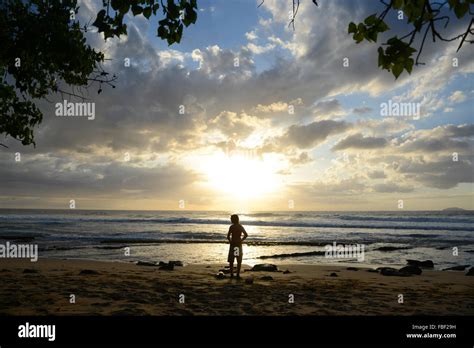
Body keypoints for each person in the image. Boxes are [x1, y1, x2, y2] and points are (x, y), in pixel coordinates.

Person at [227, 214, 248, 279]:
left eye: (231, 219)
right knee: (238, 260)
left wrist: (230, 241)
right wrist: (241, 240)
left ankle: (231, 274)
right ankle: (237, 275)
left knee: (231, 260)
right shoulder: (240, 226)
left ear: (233, 219)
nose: (230, 220)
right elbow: (246, 235)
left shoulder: (232, 227)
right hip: (238, 245)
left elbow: (228, 236)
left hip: (233, 245)